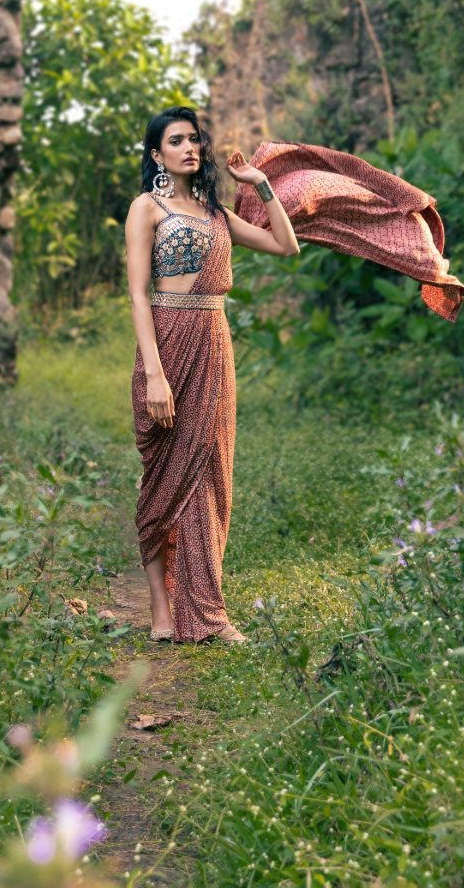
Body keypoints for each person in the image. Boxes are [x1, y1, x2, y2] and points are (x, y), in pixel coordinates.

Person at [124, 106, 299, 644]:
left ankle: (206, 613)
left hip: (213, 345)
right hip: (167, 344)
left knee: (210, 477)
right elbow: (136, 294)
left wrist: (264, 185)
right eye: (176, 140)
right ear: (157, 154)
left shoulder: (217, 213)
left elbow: (285, 246)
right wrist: (154, 373)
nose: (189, 148)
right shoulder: (147, 208)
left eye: (194, 140)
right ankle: (160, 607)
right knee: (163, 479)